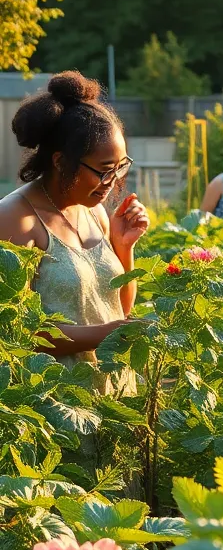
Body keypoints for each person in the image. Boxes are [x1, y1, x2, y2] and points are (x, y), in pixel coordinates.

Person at [0, 72, 148, 394]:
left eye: (121, 166)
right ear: (60, 161)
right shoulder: (16, 218)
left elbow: (118, 309)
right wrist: (109, 333)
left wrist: (124, 248)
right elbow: (14, 333)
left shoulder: (95, 211)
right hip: (56, 400)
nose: (113, 180)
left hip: (112, 390)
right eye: (103, 169)